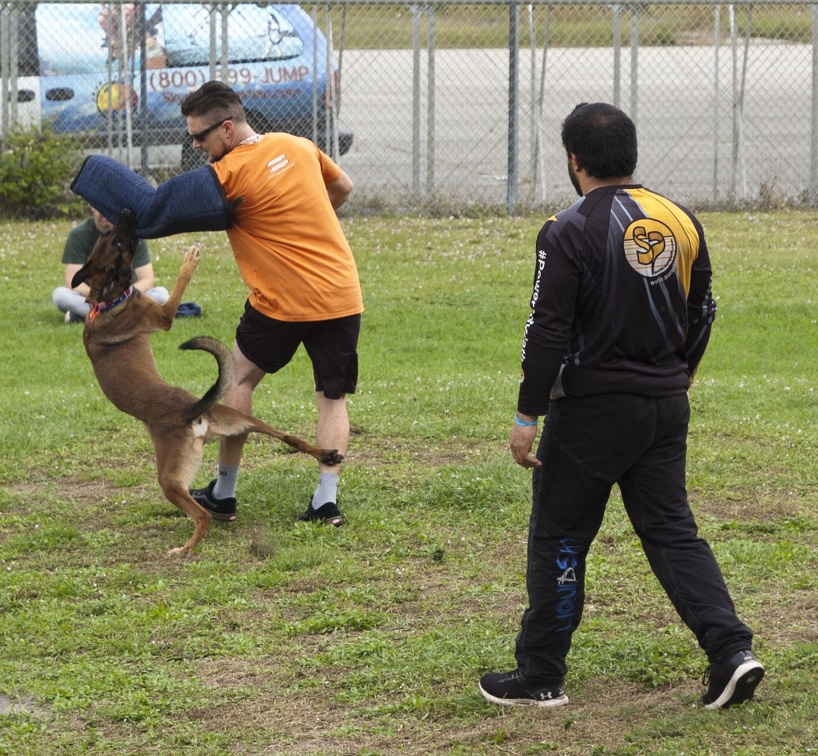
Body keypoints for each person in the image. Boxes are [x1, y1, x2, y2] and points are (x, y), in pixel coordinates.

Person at [479, 103, 764, 711]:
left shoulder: (567, 228)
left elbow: (546, 331)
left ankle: (540, 675)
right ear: (632, 155)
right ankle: (732, 651)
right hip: (664, 406)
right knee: (672, 531)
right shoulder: (681, 219)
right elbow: (703, 310)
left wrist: (527, 415)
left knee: (560, 532)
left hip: (591, 410)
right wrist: (678, 378)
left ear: (574, 160)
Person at [180, 81, 362, 527]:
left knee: (239, 378)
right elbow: (343, 187)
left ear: (227, 128)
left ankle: (223, 493)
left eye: (200, 137)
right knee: (331, 398)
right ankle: (326, 501)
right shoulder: (297, 145)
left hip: (280, 302)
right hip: (340, 293)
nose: (197, 146)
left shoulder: (228, 172)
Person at [52, 206, 169, 322]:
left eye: (108, 207)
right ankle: (122, 318)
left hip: (127, 298)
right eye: (100, 208)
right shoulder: (78, 235)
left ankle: (90, 316)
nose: (105, 214)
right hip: (94, 299)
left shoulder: (133, 236)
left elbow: (147, 280)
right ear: (92, 207)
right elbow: (72, 279)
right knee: (60, 295)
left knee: (161, 294)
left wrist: (121, 296)